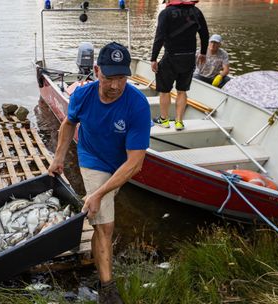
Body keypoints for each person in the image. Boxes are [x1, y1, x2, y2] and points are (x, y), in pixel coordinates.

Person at [48, 42, 151, 304]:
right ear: (96, 71)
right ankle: (107, 289)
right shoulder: (83, 96)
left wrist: (100, 192)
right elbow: (69, 123)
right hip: (92, 158)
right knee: (105, 223)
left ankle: (97, 208)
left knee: (101, 202)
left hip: (121, 163)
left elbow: (135, 163)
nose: (115, 86)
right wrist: (58, 157)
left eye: (121, 78)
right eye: (108, 78)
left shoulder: (137, 105)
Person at [150, 0, 209, 130]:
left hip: (171, 56)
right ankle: (178, 122)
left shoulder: (166, 13)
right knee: (182, 90)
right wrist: (203, 52)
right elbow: (204, 34)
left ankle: (164, 120)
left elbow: (159, 37)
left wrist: (153, 58)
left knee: (165, 91)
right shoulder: (196, 11)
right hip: (189, 57)